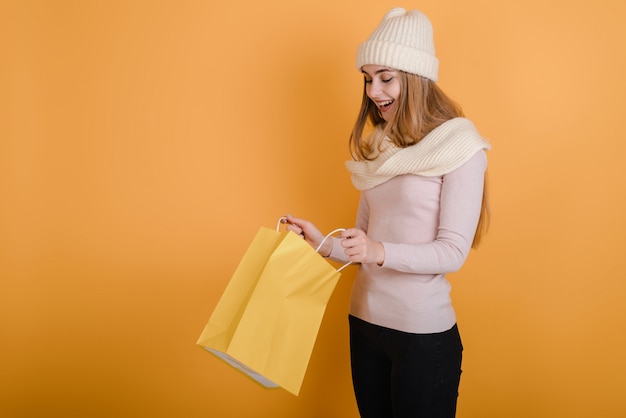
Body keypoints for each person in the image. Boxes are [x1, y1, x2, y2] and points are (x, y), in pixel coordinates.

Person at [285, 7, 490, 418]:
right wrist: (323, 243)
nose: (374, 91)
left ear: (415, 77)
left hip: (422, 337)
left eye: (386, 77)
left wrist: (377, 249)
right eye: (367, 79)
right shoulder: (380, 145)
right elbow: (364, 240)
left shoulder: (462, 146)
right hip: (364, 324)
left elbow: (452, 251)